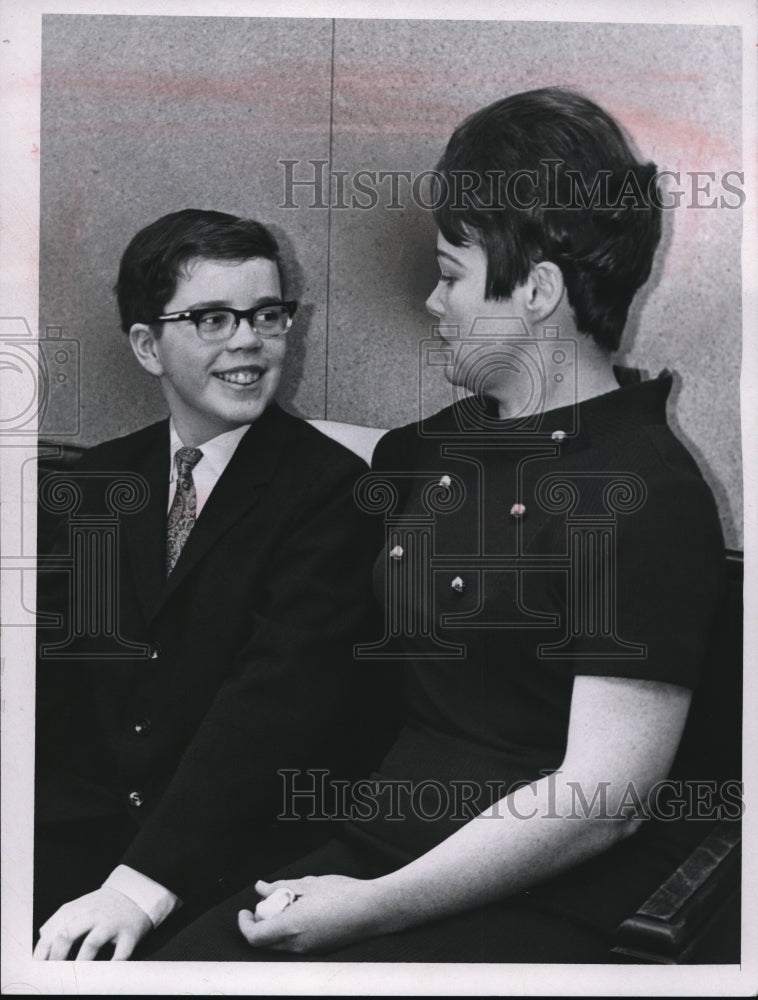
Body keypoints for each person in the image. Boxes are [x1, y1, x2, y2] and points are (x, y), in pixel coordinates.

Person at [154, 89, 727, 963]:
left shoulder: (647, 493)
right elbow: (355, 448)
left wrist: (372, 908)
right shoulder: (447, 446)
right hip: (379, 844)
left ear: (536, 290)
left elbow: (601, 802)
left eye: (451, 272)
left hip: (540, 891)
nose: (431, 299)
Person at [33, 209, 391, 960]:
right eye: (213, 318)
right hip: (77, 835)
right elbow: (51, 682)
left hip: (227, 857)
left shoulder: (332, 494)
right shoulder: (97, 482)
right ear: (145, 345)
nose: (248, 341)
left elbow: (276, 705)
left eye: (267, 314)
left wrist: (140, 885)